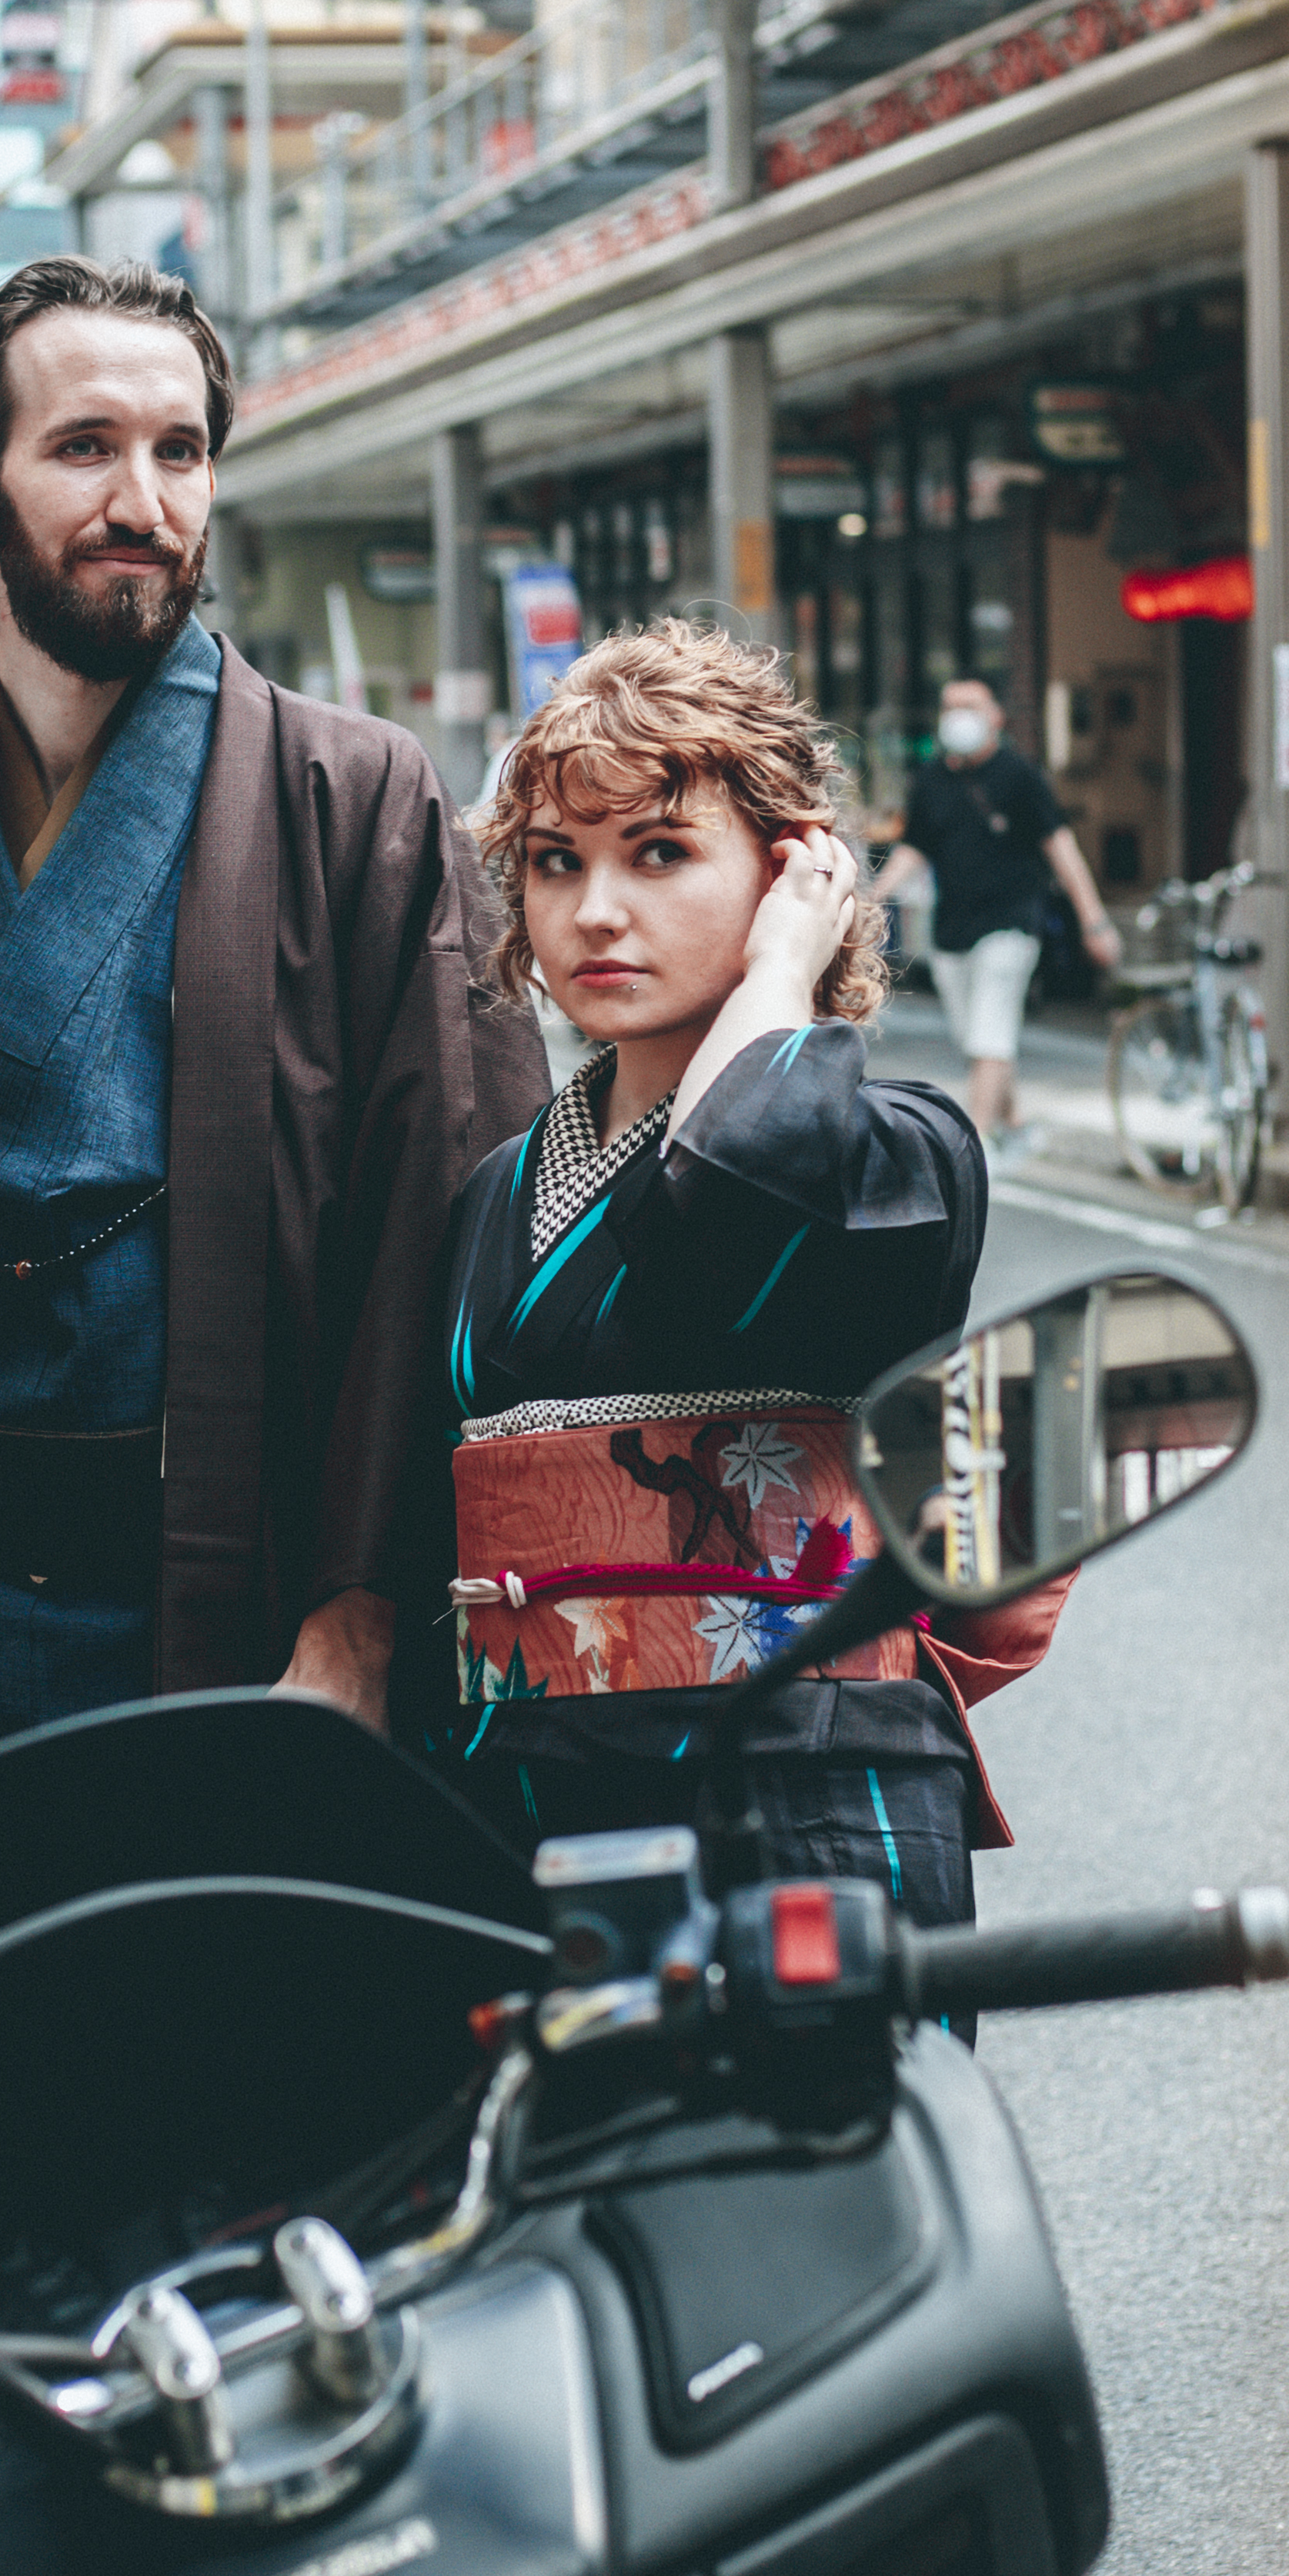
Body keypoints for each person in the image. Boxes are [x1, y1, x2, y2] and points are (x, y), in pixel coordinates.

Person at [0, 253, 548, 1809]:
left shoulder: (358, 808)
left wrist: (356, 1619)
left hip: (251, 1600)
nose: (142, 499)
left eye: (178, 451)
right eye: (83, 447)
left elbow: (452, 1231)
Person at [432, 620, 1055, 1926]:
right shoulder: (499, 1188)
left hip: (804, 1787)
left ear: (787, 872)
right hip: (529, 1801)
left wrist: (782, 973)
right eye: (556, 863)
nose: (595, 909)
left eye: (658, 853)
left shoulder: (900, 1151)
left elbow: (721, 1194)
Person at [877, 679, 1120, 1153]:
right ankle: (1015, 1119)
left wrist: (1094, 920)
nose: (958, 716)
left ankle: (974, 1145)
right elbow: (915, 849)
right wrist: (873, 895)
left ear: (996, 718)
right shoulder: (928, 780)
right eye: (949, 707)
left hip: (1012, 923)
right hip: (952, 931)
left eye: (969, 706)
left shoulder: (1019, 776)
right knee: (981, 1040)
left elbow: (1061, 848)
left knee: (990, 1034)